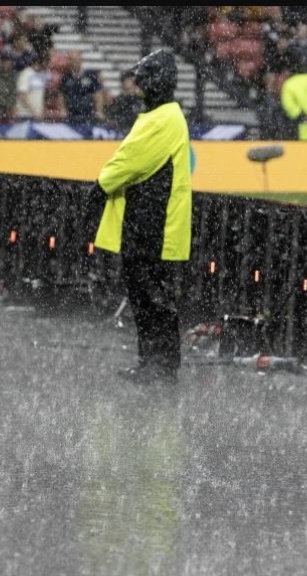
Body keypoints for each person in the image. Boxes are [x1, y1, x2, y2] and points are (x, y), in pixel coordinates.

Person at [86, 49, 191, 384]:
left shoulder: (164, 119)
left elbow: (131, 159)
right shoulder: (160, 116)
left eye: (144, 78)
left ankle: (163, 367)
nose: (138, 84)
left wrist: (101, 186)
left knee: (154, 297)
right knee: (143, 296)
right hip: (143, 221)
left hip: (154, 224)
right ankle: (151, 363)